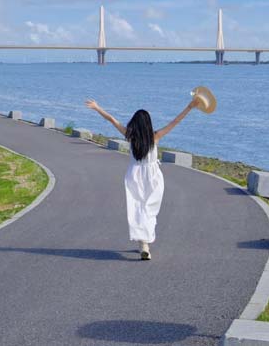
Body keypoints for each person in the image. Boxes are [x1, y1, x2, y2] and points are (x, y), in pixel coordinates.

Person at [85, 96, 202, 260]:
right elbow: (175, 122)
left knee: (137, 209)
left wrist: (97, 107)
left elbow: (112, 119)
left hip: (134, 175)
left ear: (135, 123)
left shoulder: (130, 136)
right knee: (149, 210)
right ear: (148, 124)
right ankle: (144, 243)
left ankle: (143, 243)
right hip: (153, 176)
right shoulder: (155, 137)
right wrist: (189, 107)